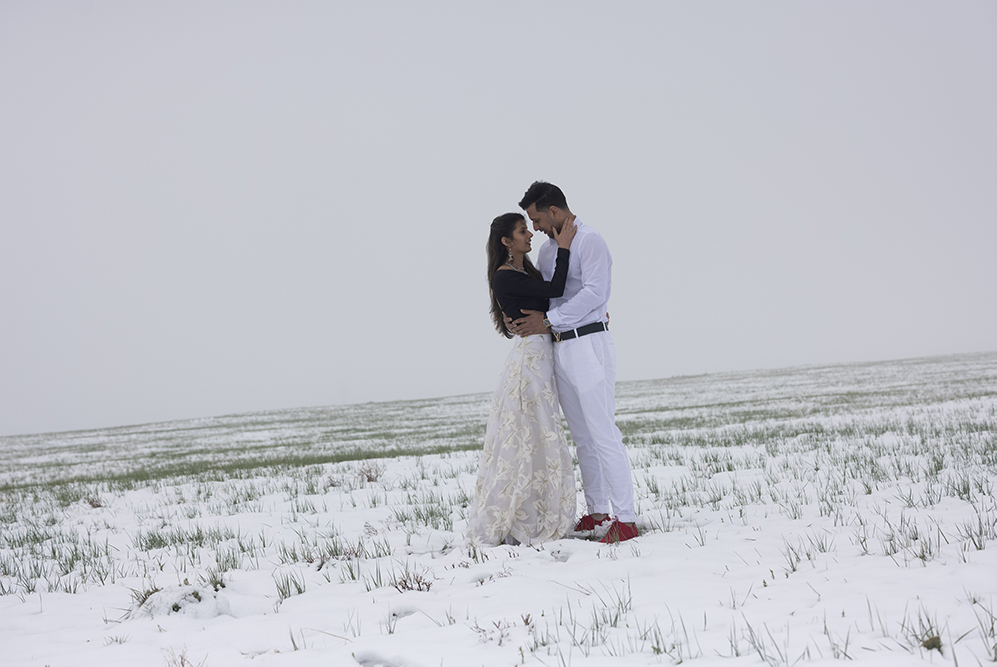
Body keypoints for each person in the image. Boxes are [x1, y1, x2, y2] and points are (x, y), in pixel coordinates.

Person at [509, 181, 638, 543]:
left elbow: (596, 293)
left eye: (535, 219)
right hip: (560, 348)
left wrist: (550, 321)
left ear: (553, 211)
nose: (533, 227)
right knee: (582, 436)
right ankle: (597, 511)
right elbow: (546, 294)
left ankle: (625, 519)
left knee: (603, 433)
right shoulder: (550, 252)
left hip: (589, 344)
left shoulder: (590, 241)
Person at [466, 212, 578, 547]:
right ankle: (519, 517)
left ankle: (534, 510)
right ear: (506, 242)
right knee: (531, 434)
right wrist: (564, 247)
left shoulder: (520, 271)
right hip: (529, 361)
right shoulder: (504, 277)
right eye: (521, 231)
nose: (529, 235)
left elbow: (550, 299)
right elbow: (554, 289)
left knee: (539, 434)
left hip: (540, 355)